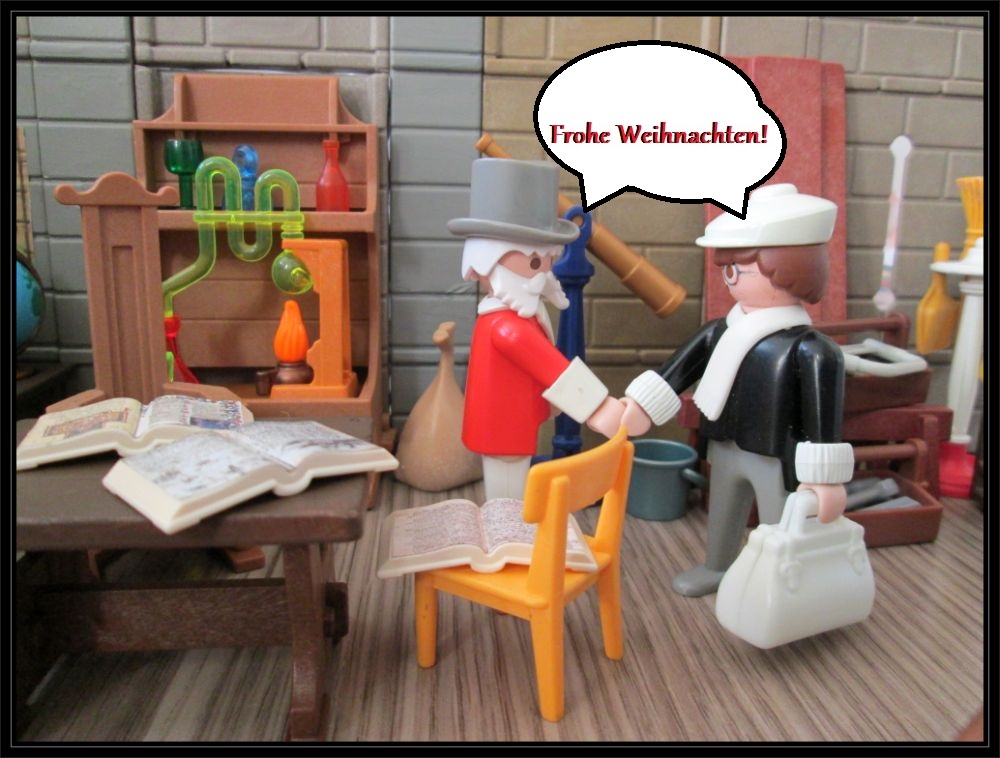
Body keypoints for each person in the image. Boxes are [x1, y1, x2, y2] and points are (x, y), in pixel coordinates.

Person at [620, 184, 855, 597]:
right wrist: (640, 405)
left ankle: (781, 588)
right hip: (726, 444)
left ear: (789, 270)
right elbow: (678, 370)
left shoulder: (811, 350)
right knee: (723, 512)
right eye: (726, 269)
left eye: (738, 270)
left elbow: (823, 422)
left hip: (778, 456)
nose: (729, 279)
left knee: (780, 526)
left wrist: (825, 479)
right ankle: (718, 566)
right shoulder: (721, 331)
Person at [448, 158, 630, 501]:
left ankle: (507, 528)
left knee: (509, 492)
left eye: (547, 260)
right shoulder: (507, 327)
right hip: (504, 430)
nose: (544, 273)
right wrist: (598, 407)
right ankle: (507, 532)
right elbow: (552, 367)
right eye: (535, 262)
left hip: (507, 425)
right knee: (507, 499)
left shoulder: (510, 312)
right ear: (490, 260)